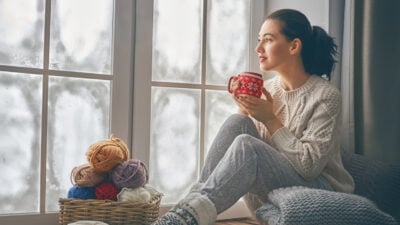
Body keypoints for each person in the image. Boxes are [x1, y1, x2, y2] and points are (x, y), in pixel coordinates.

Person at [152, 8, 355, 225]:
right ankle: (186, 211)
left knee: (247, 145)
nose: (258, 48)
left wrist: (270, 119)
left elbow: (309, 166)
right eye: (259, 40)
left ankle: (183, 218)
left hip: (319, 190)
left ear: (294, 46)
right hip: (273, 188)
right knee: (237, 122)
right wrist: (245, 110)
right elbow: (253, 152)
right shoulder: (269, 89)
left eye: (267, 40)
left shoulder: (326, 95)